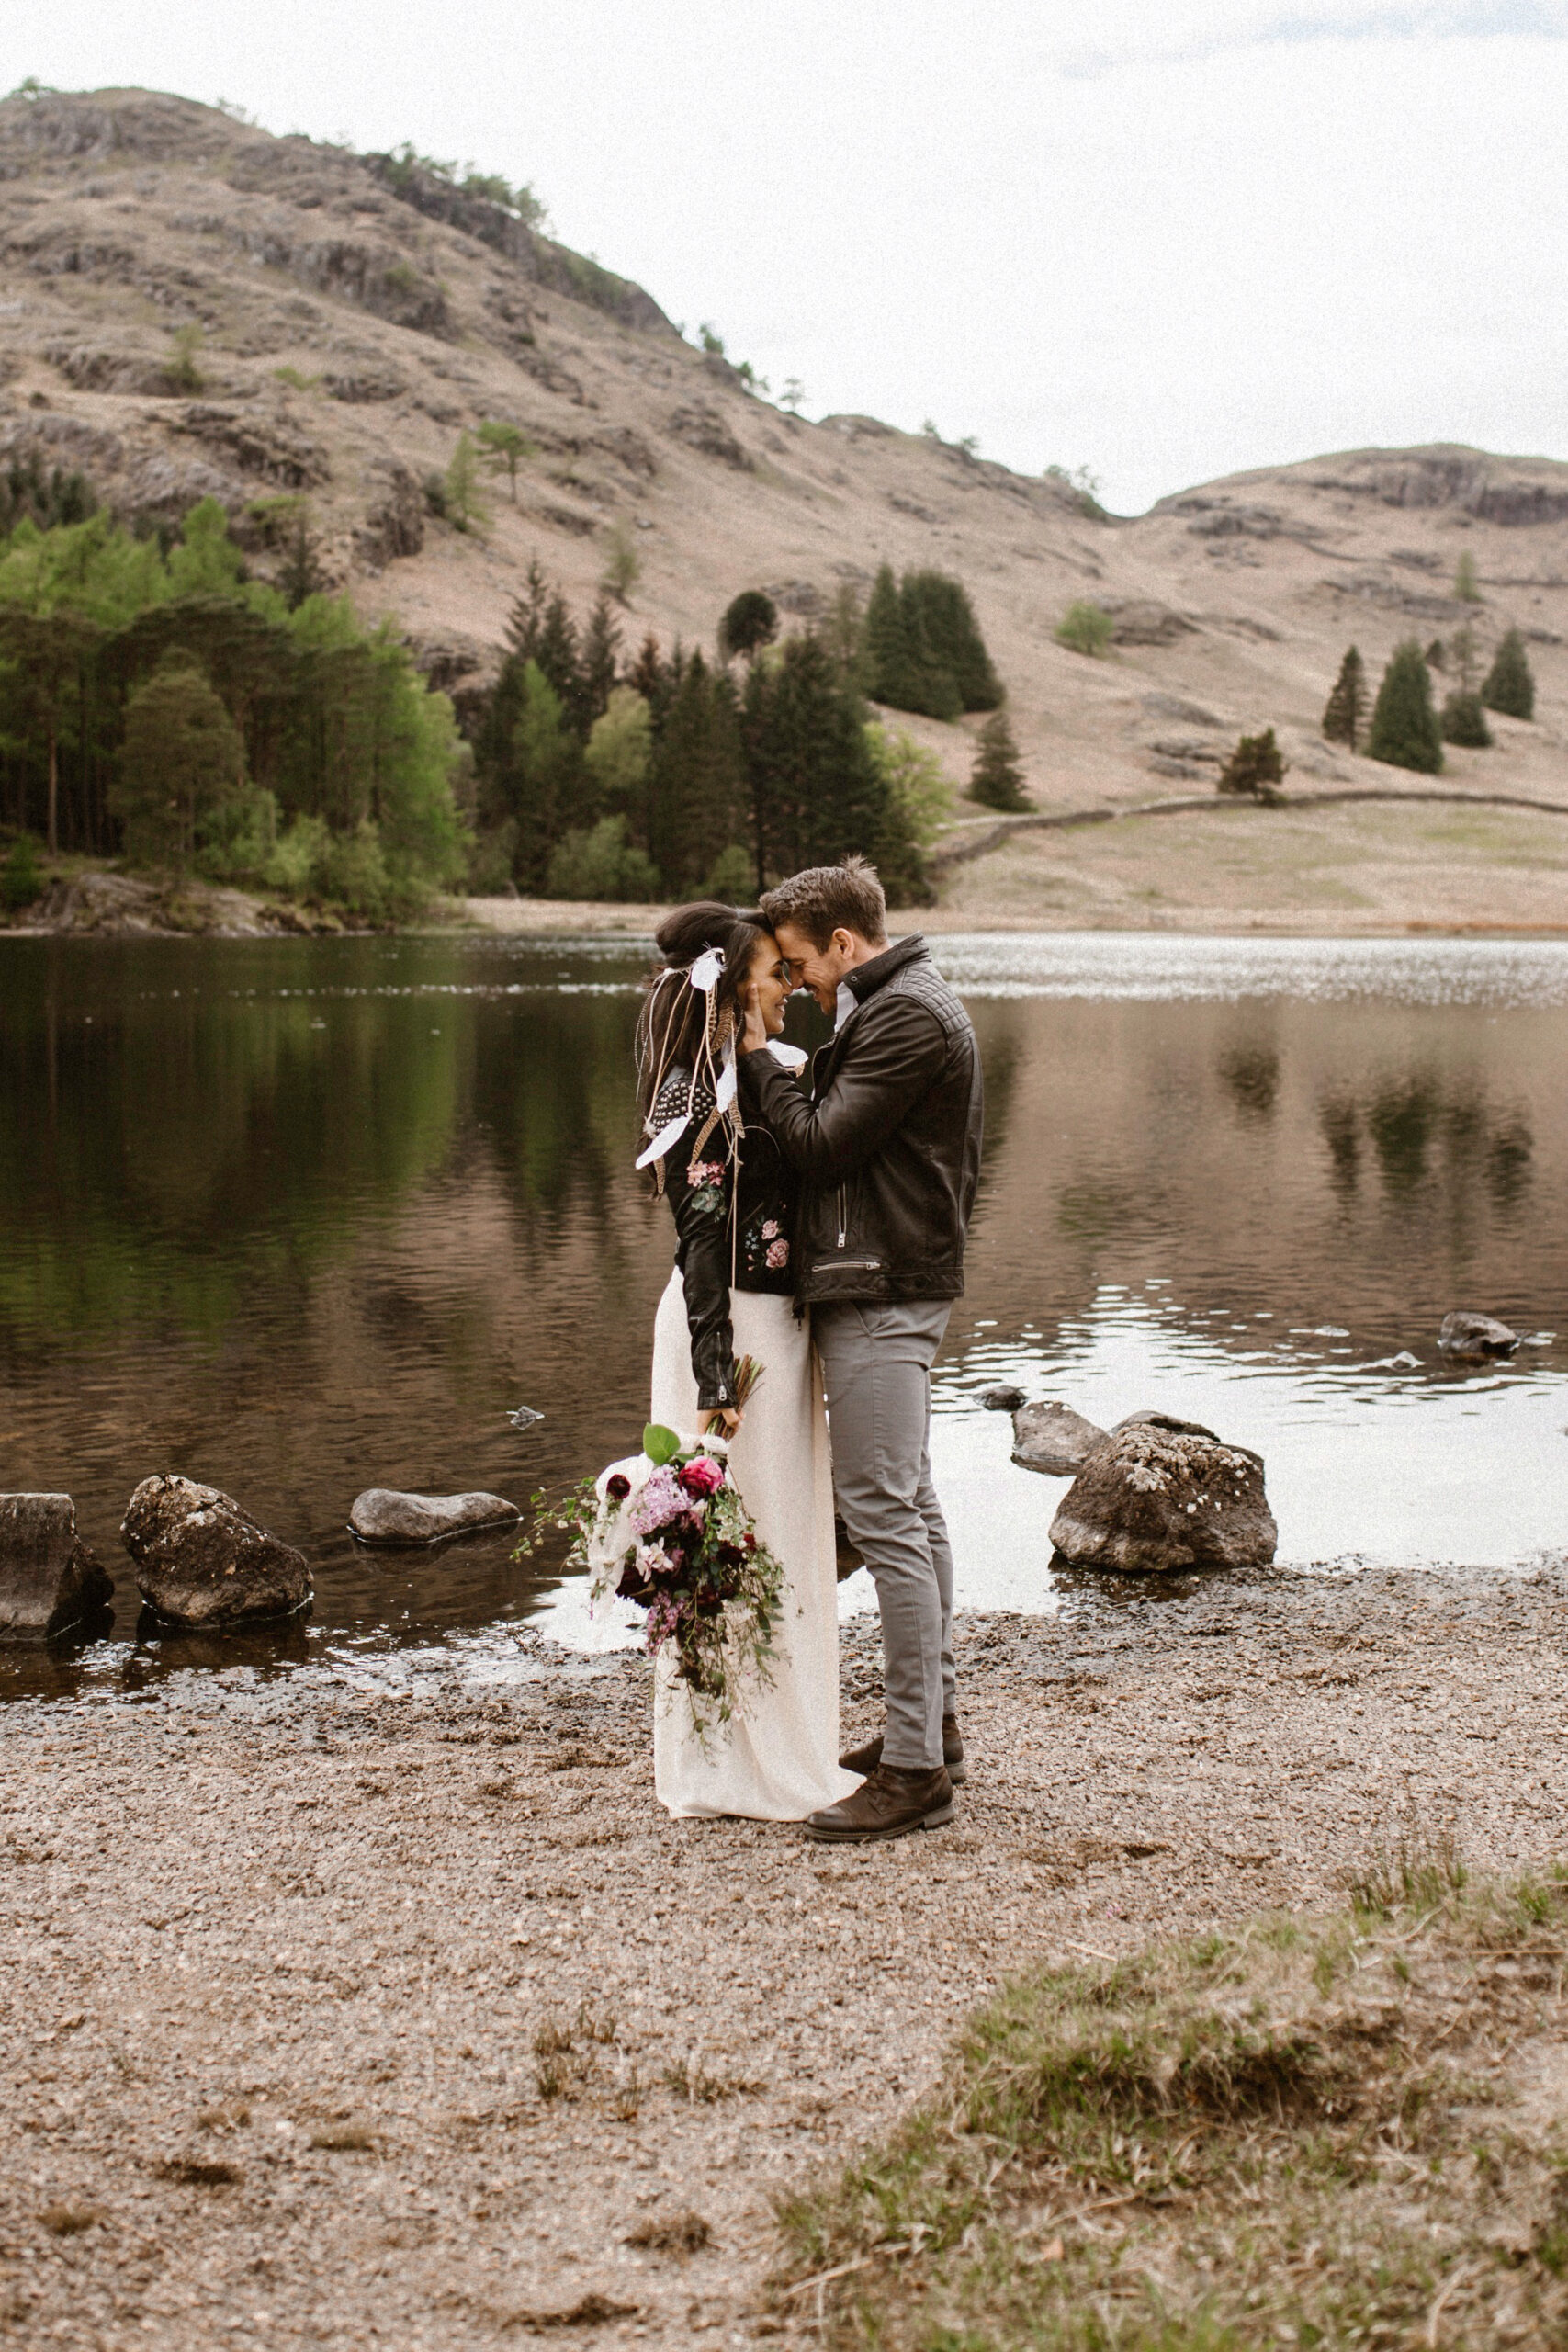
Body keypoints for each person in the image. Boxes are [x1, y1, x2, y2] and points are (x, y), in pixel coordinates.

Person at [739, 857, 983, 1844]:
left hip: (884, 1288)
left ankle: (919, 1771)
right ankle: (934, 1729)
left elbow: (824, 1144)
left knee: (884, 1512)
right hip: (887, 1278)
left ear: (846, 942)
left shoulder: (907, 1013)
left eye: (800, 963)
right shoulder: (890, 1006)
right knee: (910, 1506)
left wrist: (759, 1054)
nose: (796, 982)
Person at [635, 901, 859, 1823]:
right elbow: (699, 1245)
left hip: (780, 1331)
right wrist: (717, 1380)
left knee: (783, 1538)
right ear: (730, 984)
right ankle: (728, 1763)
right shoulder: (696, 1090)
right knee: (728, 1542)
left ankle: (789, 1741)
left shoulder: (765, 1074)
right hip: (725, 1334)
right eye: (771, 972)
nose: (787, 987)